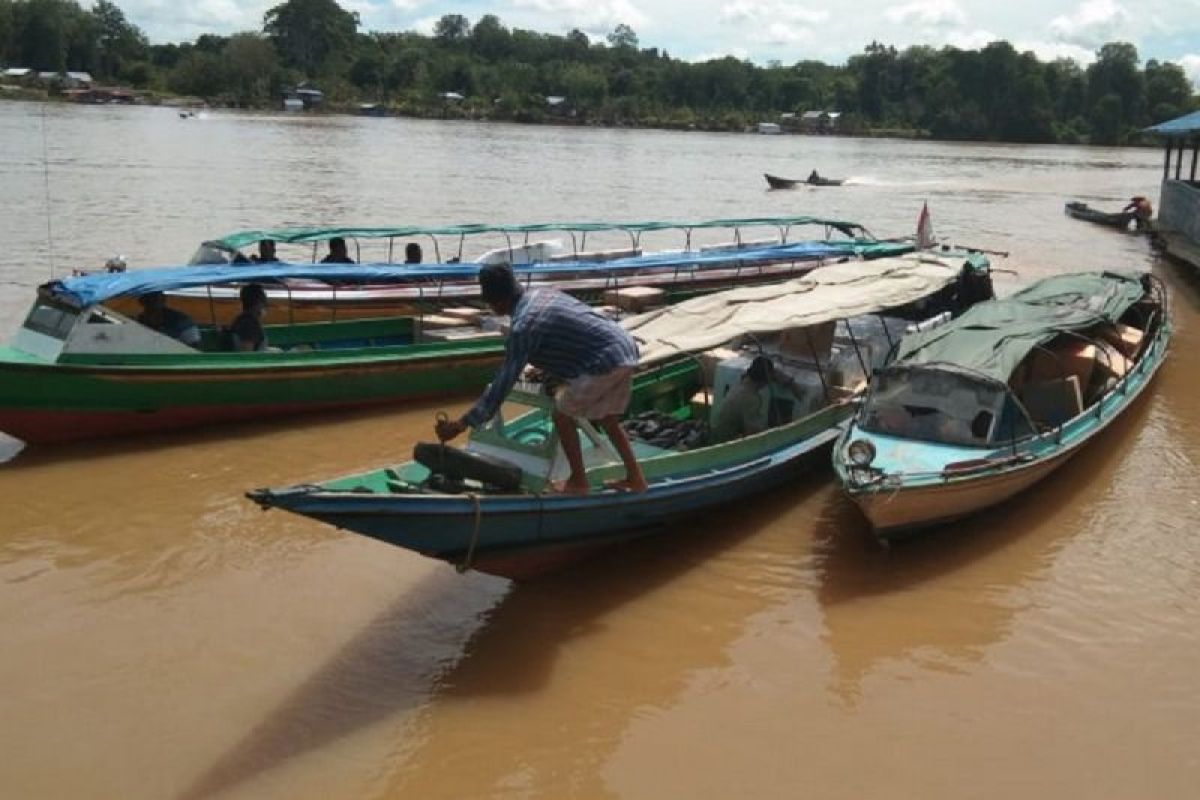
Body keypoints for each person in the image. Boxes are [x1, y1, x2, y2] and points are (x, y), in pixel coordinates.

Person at [434, 264, 647, 495]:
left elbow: (502, 384)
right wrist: (548, 369)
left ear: (497, 303)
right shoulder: (542, 293)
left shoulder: (523, 327)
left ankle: (579, 482)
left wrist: (462, 424)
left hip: (604, 361)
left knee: (562, 415)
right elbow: (572, 336)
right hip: (624, 347)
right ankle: (635, 479)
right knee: (607, 418)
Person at [710, 356, 800, 443]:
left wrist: (789, 382)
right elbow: (754, 434)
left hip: (715, 432)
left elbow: (766, 372)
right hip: (725, 441)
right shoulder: (751, 399)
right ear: (765, 381)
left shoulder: (743, 382)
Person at [228, 283, 268, 351]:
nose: (265, 306)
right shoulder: (249, 325)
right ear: (258, 303)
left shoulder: (241, 319)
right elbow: (247, 353)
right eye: (264, 302)